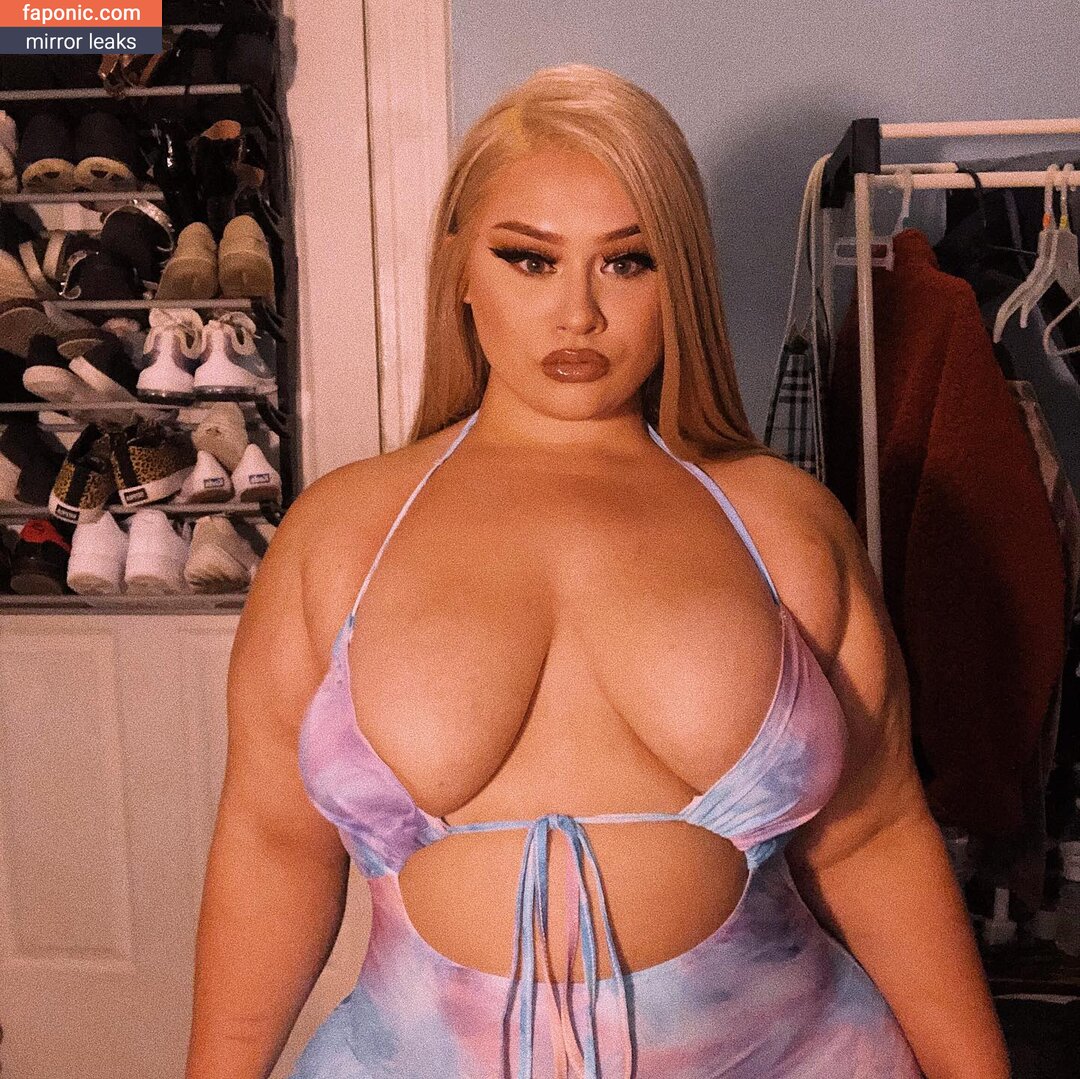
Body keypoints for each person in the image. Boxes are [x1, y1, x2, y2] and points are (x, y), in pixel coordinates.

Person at [185, 63, 1011, 1079]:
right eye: (530, 259)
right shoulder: (339, 536)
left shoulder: (785, 525)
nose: (578, 313)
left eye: (628, 261)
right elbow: (275, 848)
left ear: (682, 277)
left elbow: (874, 838)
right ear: (460, 269)